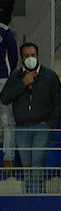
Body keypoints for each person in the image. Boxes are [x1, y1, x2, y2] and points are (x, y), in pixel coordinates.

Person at [1, 42, 61, 195]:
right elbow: (5, 98)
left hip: (41, 127)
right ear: (22, 58)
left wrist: (51, 124)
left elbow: (60, 102)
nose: (30, 58)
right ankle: (30, 195)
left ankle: (36, 196)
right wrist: (23, 83)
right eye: (27, 55)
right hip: (22, 127)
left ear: (37, 56)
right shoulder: (16, 76)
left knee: (37, 163)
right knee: (27, 165)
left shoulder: (49, 76)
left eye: (33, 55)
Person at [0, 21, 16, 173]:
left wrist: (6, 73)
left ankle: (8, 158)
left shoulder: (4, 30)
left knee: (7, 120)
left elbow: (13, 55)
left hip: (3, 80)